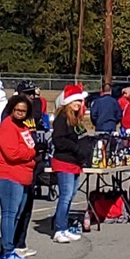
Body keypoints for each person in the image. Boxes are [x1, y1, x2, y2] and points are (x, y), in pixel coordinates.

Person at [0, 95, 38, 259]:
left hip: (23, 175)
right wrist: (30, 154)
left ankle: (12, 247)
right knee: (9, 214)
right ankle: (7, 251)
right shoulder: (7, 127)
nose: (20, 113)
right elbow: (13, 153)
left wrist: (30, 152)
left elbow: (31, 146)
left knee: (17, 214)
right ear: (11, 109)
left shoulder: (23, 127)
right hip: (8, 176)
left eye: (24, 111)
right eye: (17, 110)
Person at [50, 85, 90, 243]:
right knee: (65, 196)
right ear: (68, 101)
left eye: (80, 101)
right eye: (75, 101)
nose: (78, 104)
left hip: (75, 162)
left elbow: (81, 136)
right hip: (64, 162)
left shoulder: (75, 119)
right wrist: (75, 148)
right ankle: (59, 229)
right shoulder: (62, 118)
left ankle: (65, 227)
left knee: (71, 195)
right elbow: (58, 140)